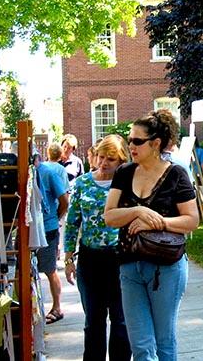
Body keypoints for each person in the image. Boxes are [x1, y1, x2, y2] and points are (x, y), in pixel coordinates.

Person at [104, 110, 199, 361]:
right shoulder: (124, 173)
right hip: (129, 265)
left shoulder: (177, 174)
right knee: (141, 346)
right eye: (129, 140)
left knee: (164, 340)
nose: (130, 146)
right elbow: (109, 216)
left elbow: (191, 220)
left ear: (155, 143)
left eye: (137, 141)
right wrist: (138, 211)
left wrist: (156, 223)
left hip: (166, 267)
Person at [64, 135, 131, 361]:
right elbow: (72, 223)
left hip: (119, 259)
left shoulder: (127, 185)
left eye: (110, 159)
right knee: (93, 320)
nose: (103, 163)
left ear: (121, 161)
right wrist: (68, 258)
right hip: (90, 260)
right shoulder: (82, 183)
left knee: (121, 321)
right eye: (101, 157)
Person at [36, 143, 69, 324]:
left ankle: (57, 307)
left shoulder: (48, 172)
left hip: (47, 228)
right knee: (26, 270)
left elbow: (64, 199)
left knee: (49, 269)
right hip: (30, 228)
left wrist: (55, 219)